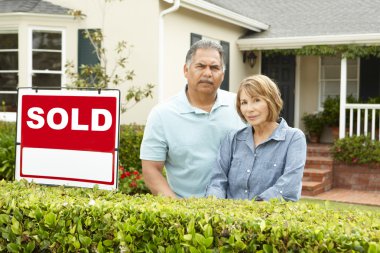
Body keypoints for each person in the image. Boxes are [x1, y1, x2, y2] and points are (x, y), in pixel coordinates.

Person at [140, 40, 245, 198]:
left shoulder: (241, 106)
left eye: (215, 67)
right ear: (186, 70)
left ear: (222, 75)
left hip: (238, 210)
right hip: (186, 211)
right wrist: (177, 209)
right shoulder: (162, 114)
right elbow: (150, 169)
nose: (208, 73)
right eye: (200, 66)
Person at [205, 74, 307, 201]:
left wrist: (250, 210)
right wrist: (214, 206)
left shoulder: (293, 139)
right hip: (229, 218)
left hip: (270, 218)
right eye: (244, 103)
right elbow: (217, 182)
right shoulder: (232, 139)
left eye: (256, 100)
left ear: (271, 101)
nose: (249, 109)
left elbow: (288, 188)